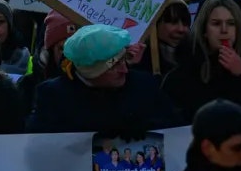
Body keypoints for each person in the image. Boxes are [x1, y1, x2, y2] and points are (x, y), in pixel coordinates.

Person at [26, 25, 182, 135]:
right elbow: (40, 146)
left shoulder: (144, 85)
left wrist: (149, 129)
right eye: (114, 65)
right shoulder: (53, 96)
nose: (124, 70)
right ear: (91, 70)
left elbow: (175, 128)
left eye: (124, 60)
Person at [160, 0, 241, 122]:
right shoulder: (182, 75)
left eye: (231, 23)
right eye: (216, 24)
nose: (224, 30)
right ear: (204, 30)